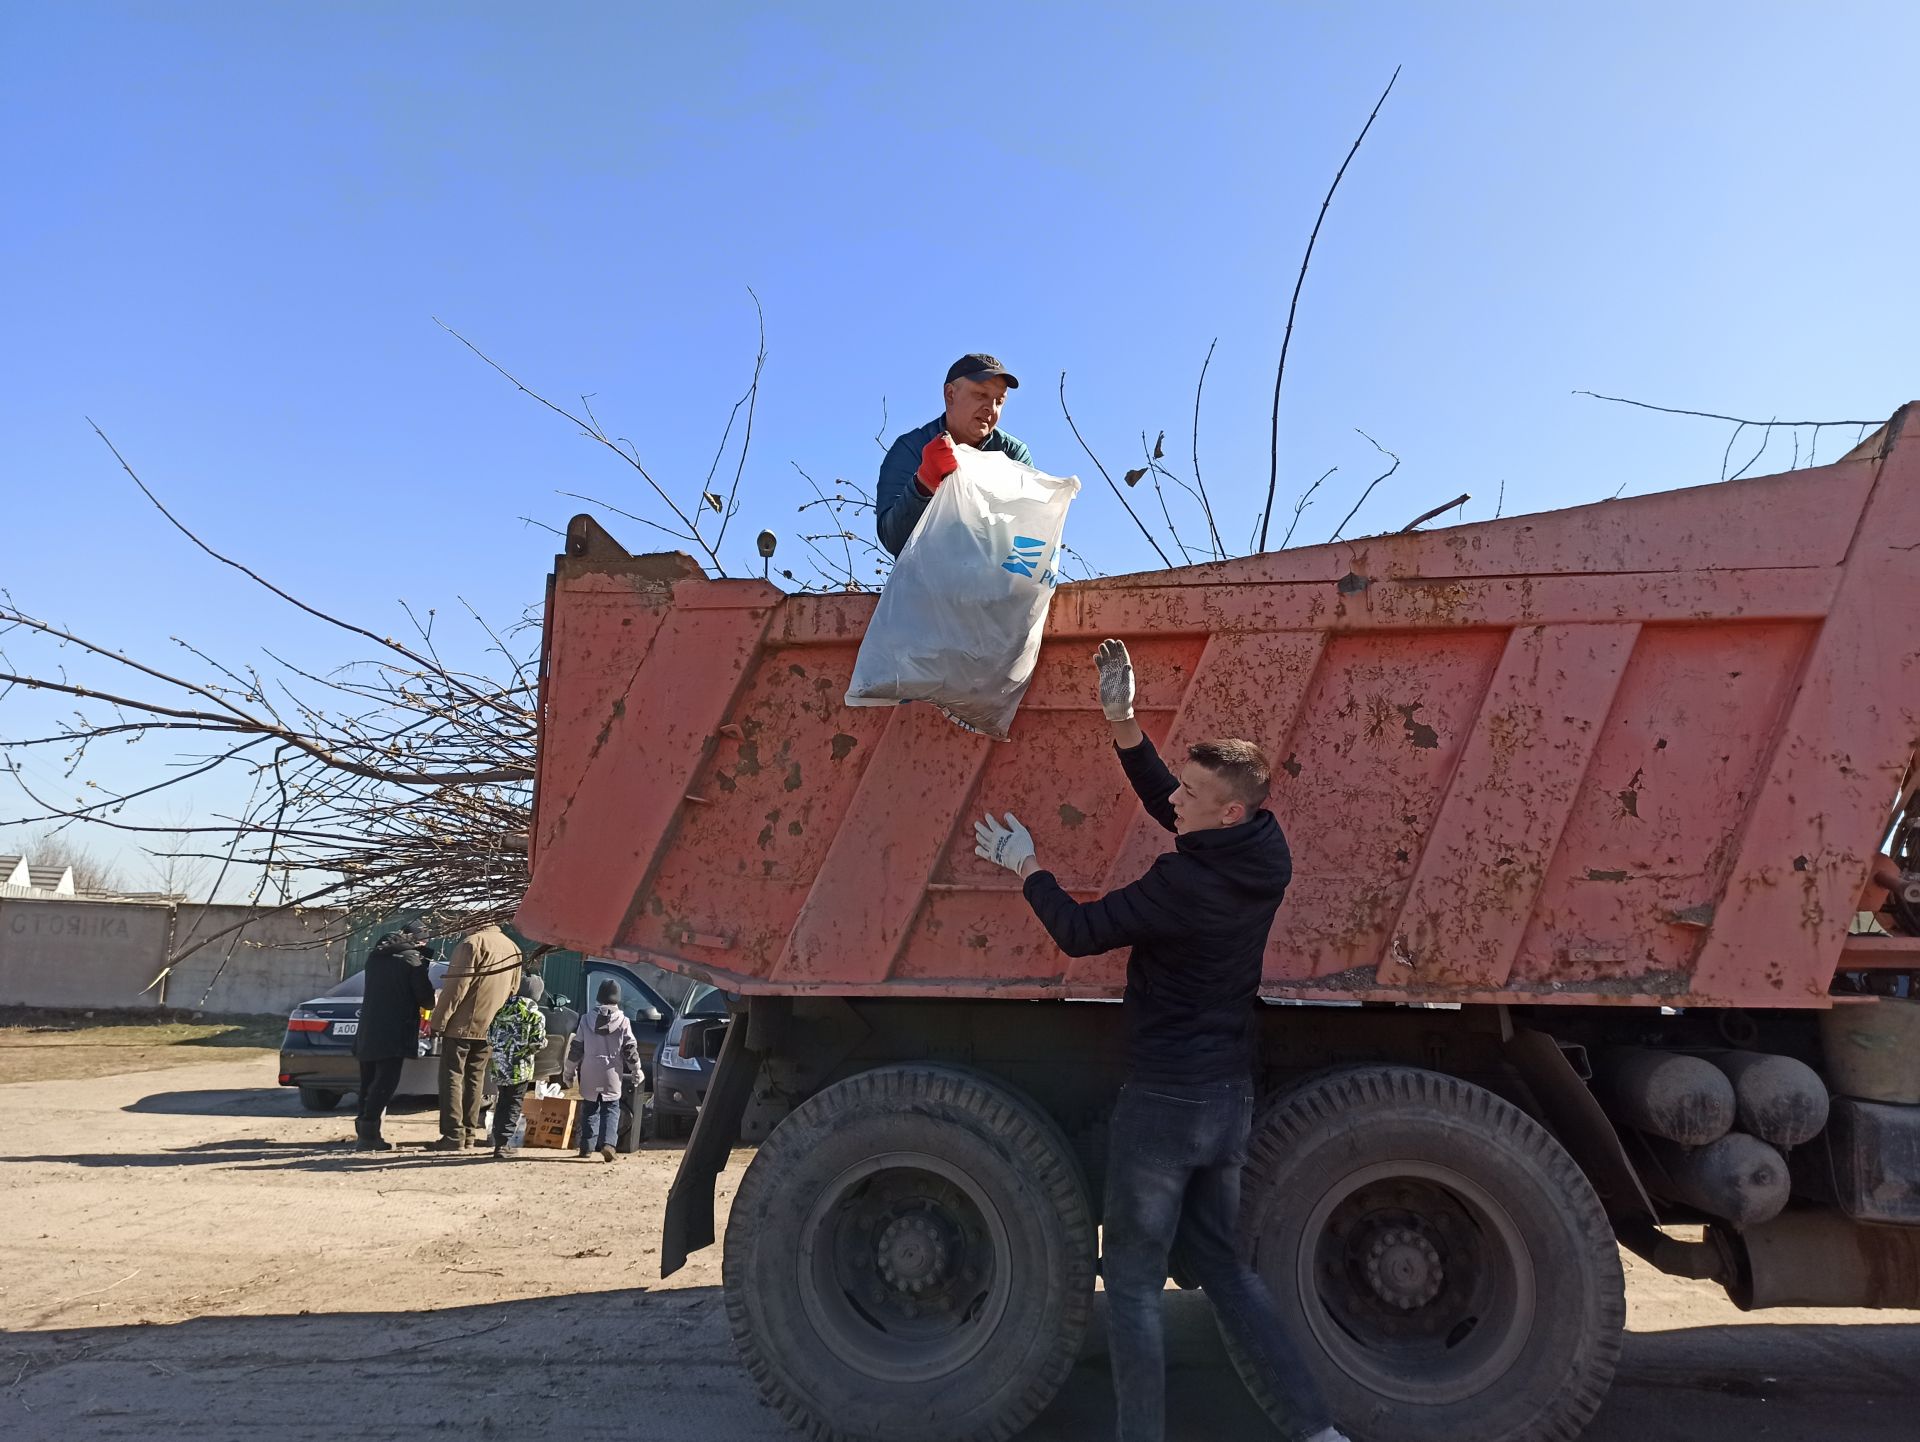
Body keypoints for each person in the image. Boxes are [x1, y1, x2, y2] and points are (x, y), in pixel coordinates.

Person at [973, 638, 1348, 1442]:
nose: (1178, 797)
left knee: (1137, 1284)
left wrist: (1026, 865)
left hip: (1166, 1108)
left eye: (1196, 789)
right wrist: (1125, 727)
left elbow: (1080, 932)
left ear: (1229, 810)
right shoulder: (1264, 853)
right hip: (1225, 1104)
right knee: (1225, 1269)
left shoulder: (1181, 886)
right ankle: (1316, 1430)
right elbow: (1179, 813)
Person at [875, 353, 1033, 557]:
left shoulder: (1013, 454)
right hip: (926, 585)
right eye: (980, 395)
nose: (990, 409)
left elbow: (1028, 528)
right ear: (950, 395)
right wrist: (923, 484)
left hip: (995, 585)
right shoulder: (912, 448)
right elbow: (893, 539)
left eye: (999, 401)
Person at [426, 923, 523, 1151]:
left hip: (461, 1025)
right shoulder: (514, 948)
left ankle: (453, 1135)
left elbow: (456, 988)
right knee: (475, 1078)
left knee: (452, 1076)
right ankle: (469, 1133)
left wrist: (439, 1021)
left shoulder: (471, 944)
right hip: (491, 1026)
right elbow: (513, 990)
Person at [350, 920, 436, 1151]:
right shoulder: (411, 960)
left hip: (369, 1028)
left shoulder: (375, 956)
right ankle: (369, 1135)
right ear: (418, 940)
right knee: (385, 1083)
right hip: (395, 1030)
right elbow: (426, 998)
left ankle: (364, 1133)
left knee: (367, 1082)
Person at [565, 978, 640, 1162]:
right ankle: (608, 1144)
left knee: (590, 1109)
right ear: (618, 998)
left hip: (589, 1070)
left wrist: (569, 1071)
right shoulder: (623, 1021)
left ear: (599, 997)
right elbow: (629, 1049)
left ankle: (586, 1147)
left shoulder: (585, 1019)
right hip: (612, 1072)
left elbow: (576, 1048)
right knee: (611, 1108)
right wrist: (636, 1069)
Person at [485, 973, 549, 1160]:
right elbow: (537, 1043)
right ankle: (503, 1146)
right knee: (513, 1104)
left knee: (502, 1102)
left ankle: (498, 1141)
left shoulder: (501, 1010)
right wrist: (542, 1043)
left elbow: (490, 1037)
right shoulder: (534, 1015)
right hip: (519, 1068)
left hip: (500, 1066)